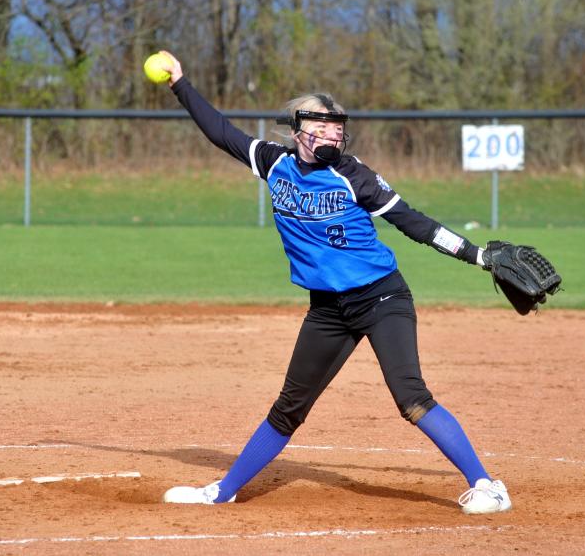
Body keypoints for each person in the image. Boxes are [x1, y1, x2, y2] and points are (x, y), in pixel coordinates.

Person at [157, 50, 511, 514]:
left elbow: (414, 223)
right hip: (327, 309)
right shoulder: (273, 163)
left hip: (381, 297)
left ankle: (487, 485)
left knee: (411, 397)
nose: (331, 133)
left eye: (336, 127)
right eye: (321, 126)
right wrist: (180, 84)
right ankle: (223, 491)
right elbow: (220, 131)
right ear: (298, 131)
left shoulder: (353, 176)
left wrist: (479, 255)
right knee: (289, 408)